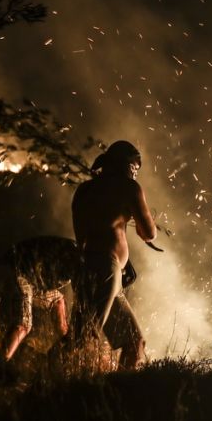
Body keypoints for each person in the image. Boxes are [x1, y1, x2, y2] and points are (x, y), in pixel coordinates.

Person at [67, 140, 156, 370]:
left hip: (89, 266)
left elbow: (83, 236)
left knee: (134, 341)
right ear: (127, 165)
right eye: (135, 168)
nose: (136, 173)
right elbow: (149, 233)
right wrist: (137, 220)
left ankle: (119, 392)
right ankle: (47, 379)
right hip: (106, 269)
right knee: (82, 337)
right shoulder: (129, 188)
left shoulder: (85, 190)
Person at [3, 236, 80, 360]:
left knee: (58, 301)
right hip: (19, 272)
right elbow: (81, 303)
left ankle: (63, 356)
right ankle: (0, 362)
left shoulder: (78, 253)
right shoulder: (77, 256)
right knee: (23, 324)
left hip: (33, 282)